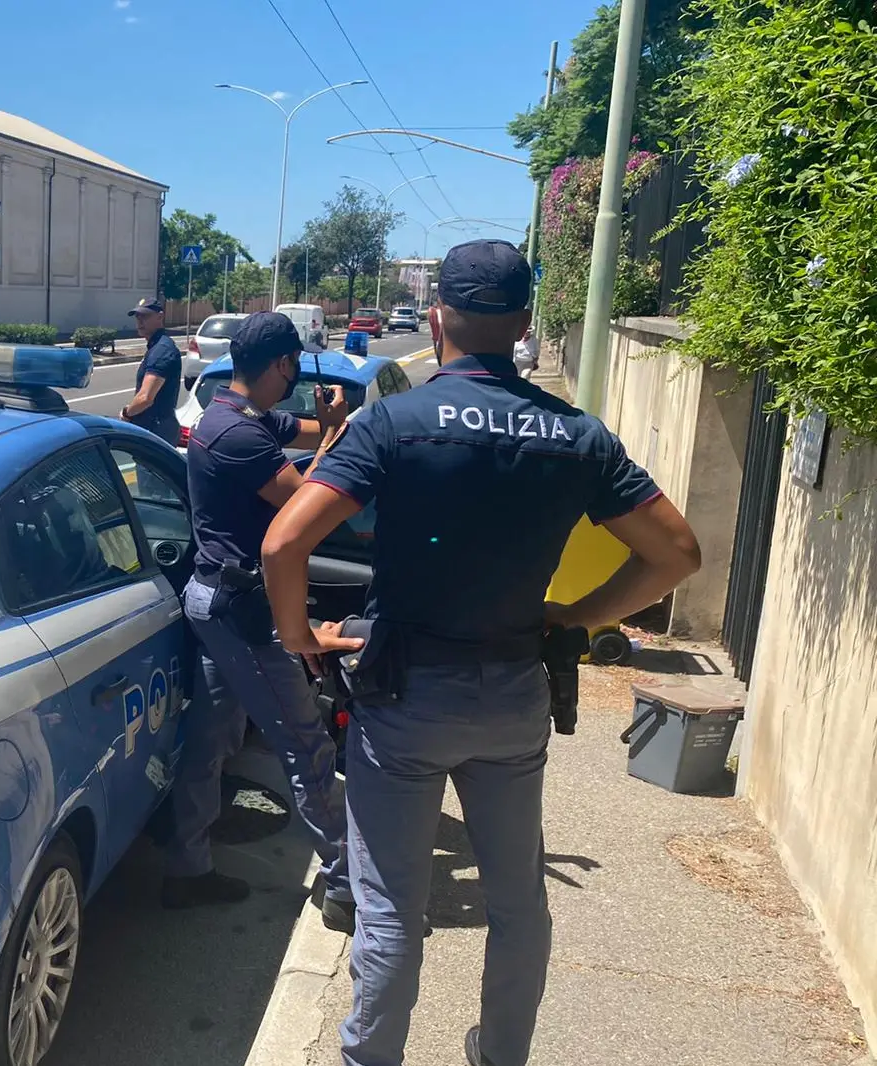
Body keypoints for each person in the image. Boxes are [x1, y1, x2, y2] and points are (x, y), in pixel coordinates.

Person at [260, 239, 702, 1066]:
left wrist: (300, 641)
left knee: (391, 908)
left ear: (435, 321)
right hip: (512, 692)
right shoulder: (577, 436)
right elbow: (676, 553)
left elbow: (285, 546)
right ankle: (500, 1054)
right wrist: (573, 618)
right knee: (517, 901)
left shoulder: (393, 422)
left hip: (403, 698)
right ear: (526, 324)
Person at [161, 310, 362, 928]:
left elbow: (300, 429)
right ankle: (347, 887)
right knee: (304, 741)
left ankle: (187, 869)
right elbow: (309, 505)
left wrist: (327, 423)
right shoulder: (240, 438)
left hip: (214, 597)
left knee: (212, 737)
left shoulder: (231, 415)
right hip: (242, 610)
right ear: (281, 365)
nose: (295, 378)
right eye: (292, 368)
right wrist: (332, 443)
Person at [120, 297, 183, 443]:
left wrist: (127, 413)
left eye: (145, 316)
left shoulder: (161, 350)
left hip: (156, 431)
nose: (140, 321)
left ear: (160, 317)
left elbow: (145, 398)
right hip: (154, 428)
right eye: (138, 317)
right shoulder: (156, 346)